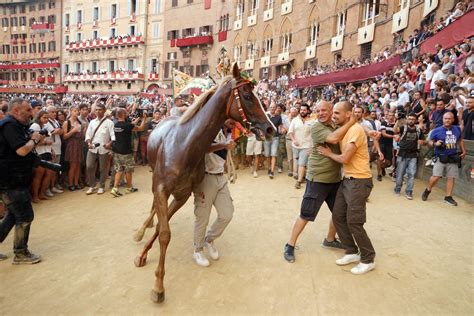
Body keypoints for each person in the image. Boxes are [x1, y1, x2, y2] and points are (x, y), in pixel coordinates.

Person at [283, 101, 357, 263]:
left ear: (332, 111)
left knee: (338, 214)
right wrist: (352, 120)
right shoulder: (317, 127)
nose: (321, 113)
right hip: (318, 179)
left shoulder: (336, 124)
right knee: (306, 214)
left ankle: (329, 240)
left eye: (324, 110)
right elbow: (333, 138)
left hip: (335, 180)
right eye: (318, 110)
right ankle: (290, 245)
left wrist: (369, 130)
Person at [318, 101, 376, 275]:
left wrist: (328, 154)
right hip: (348, 180)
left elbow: (344, 159)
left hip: (359, 181)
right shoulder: (347, 128)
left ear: (348, 114)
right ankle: (351, 251)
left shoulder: (355, 130)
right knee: (338, 216)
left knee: (354, 221)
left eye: (337, 113)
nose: (333, 116)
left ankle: (368, 258)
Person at [0, 98, 44, 264]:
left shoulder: (14, 125)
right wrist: (34, 139)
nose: (30, 114)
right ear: (16, 110)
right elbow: (21, 151)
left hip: (13, 179)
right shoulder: (10, 125)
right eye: (27, 110)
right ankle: (21, 253)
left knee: (13, 214)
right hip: (10, 181)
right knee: (25, 216)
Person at [193, 120, 235, 267]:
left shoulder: (228, 132)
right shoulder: (209, 128)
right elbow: (202, 147)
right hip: (205, 178)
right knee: (202, 217)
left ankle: (208, 240)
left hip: (220, 177)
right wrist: (224, 145)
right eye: (231, 118)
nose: (234, 122)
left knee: (226, 214)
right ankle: (197, 249)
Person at [421, 112, 466, 206]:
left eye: (449, 118)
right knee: (436, 176)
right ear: (443, 119)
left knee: (451, 177)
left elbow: (460, 140)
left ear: (453, 119)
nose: (447, 120)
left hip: (453, 156)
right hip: (440, 156)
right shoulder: (436, 130)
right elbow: (428, 142)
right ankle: (428, 190)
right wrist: (435, 144)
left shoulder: (457, 129)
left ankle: (448, 197)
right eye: (445, 118)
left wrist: (464, 150)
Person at [110, 108, 147, 197]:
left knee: (119, 170)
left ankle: (115, 188)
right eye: (126, 113)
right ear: (123, 115)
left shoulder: (116, 125)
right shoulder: (127, 125)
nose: (127, 114)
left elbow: (130, 125)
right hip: (126, 152)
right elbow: (140, 128)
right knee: (128, 171)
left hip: (117, 151)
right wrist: (144, 119)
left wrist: (138, 118)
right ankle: (129, 187)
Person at [84, 103, 115, 195]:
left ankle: (101, 186)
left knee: (103, 169)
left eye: (100, 110)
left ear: (104, 111)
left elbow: (113, 136)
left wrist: (109, 143)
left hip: (104, 149)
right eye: (96, 110)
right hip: (92, 148)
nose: (97, 111)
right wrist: (89, 142)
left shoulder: (110, 123)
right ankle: (92, 185)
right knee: (89, 166)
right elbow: (88, 134)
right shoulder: (92, 122)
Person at [393, 113, 425, 199]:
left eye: (413, 119)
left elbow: (422, 141)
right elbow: (395, 130)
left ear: (415, 120)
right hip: (402, 154)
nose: (411, 121)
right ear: (407, 119)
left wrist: (421, 142)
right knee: (400, 173)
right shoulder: (404, 128)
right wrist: (398, 120)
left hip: (413, 154)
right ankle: (397, 188)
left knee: (411, 174)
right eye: (409, 119)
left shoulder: (418, 130)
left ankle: (409, 191)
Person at [288, 104, 314, 189]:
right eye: (301, 110)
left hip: (306, 146)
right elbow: (290, 132)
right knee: (298, 162)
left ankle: (298, 181)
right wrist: (293, 140)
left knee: (301, 163)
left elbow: (315, 134)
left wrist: (313, 145)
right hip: (295, 146)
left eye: (304, 110)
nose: (302, 111)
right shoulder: (295, 120)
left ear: (307, 111)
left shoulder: (312, 121)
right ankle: (302, 176)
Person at [63, 105, 84, 191]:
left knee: (78, 165)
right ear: (71, 111)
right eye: (75, 111)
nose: (77, 112)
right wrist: (73, 130)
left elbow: (82, 136)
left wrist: (84, 129)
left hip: (78, 144)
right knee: (73, 165)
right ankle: (71, 184)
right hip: (71, 145)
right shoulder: (67, 122)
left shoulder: (79, 122)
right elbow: (64, 136)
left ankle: (76, 183)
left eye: (77, 111)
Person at [264, 103, 283, 179]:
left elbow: (280, 126)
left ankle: (272, 171)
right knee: (267, 155)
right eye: (271, 107)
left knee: (273, 154)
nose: (272, 108)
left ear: (275, 108)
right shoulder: (266, 116)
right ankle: (269, 168)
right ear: (269, 108)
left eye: (273, 107)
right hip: (267, 137)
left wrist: (282, 130)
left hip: (275, 138)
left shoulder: (278, 117)